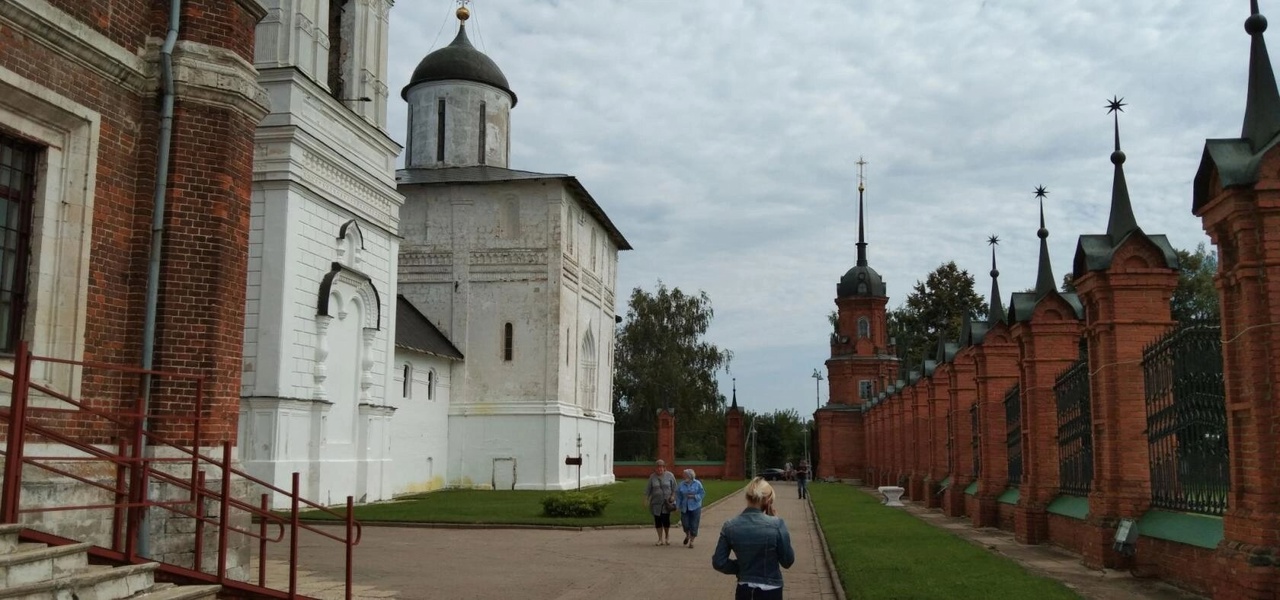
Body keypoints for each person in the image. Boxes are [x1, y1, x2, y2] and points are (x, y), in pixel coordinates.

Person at [712, 477, 795, 599]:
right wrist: (777, 524)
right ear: (767, 500)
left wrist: (742, 567)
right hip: (771, 587)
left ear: (747, 497)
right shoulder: (777, 525)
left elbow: (719, 562)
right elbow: (787, 561)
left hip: (744, 588)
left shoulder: (730, 526)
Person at [645, 459, 677, 546]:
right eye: (658, 467)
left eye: (661, 467)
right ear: (655, 468)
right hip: (656, 503)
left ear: (664, 468)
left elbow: (675, 488)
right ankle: (660, 539)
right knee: (658, 520)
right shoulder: (652, 477)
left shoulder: (670, 475)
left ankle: (667, 536)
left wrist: (673, 496)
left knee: (666, 520)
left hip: (667, 503)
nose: (659, 469)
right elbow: (648, 489)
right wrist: (646, 499)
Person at [676, 469, 706, 548]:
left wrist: (694, 496)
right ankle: (687, 535)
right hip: (684, 507)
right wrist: (677, 506)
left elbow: (702, 493)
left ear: (690, 476)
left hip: (695, 507)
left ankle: (692, 541)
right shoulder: (681, 484)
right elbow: (678, 496)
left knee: (694, 524)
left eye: (685, 475)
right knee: (685, 523)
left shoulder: (697, 483)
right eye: (683, 475)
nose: (683, 476)